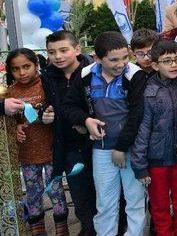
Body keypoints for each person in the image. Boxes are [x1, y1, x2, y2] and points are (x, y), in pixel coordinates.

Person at [61, 31, 147, 236]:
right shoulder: (84, 75)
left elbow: (137, 116)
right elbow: (68, 106)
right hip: (100, 150)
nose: (121, 64)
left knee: (135, 201)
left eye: (125, 57)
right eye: (114, 60)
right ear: (98, 58)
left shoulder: (134, 75)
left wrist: (121, 147)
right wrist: (85, 120)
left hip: (131, 149)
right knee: (105, 203)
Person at [131, 40, 177, 236]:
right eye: (167, 61)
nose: (174, 65)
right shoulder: (149, 91)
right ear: (156, 65)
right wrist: (140, 165)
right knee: (159, 205)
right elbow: (142, 130)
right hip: (156, 159)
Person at [6, 48, 69, 235]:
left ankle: (62, 229)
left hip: (51, 151)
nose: (22, 72)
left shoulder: (47, 85)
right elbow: (9, 122)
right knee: (33, 194)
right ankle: (38, 230)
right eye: (16, 69)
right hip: (27, 154)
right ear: (10, 71)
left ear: (36, 65)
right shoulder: (9, 92)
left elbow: (60, 111)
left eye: (26, 66)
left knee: (56, 191)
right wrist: (15, 129)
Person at [43, 30, 97, 235]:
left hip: (97, 142)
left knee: (106, 193)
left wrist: (86, 120)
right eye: (52, 52)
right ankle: (88, 230)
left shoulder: (94, 71)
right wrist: (44, 113)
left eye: (63, 50)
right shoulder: (47, 77)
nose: (58, 56)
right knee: (80, 194)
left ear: (77, 49)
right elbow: (44, 104)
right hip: (68, 145)